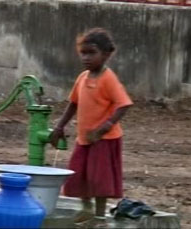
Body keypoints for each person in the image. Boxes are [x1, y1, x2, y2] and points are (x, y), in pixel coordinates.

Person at [51, 28, 133, 224]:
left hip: (104, 139)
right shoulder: (83, 77)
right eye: (83, 53)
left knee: (99, 178)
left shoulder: (108, 78)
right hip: (85, 138)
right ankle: (86, 208)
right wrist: (59, 127)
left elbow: (124, 104)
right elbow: (73, 103)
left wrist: (106, 126)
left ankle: (99, 215)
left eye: (91, 53)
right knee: (78, 173)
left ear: (105, 54)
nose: (86, 58)